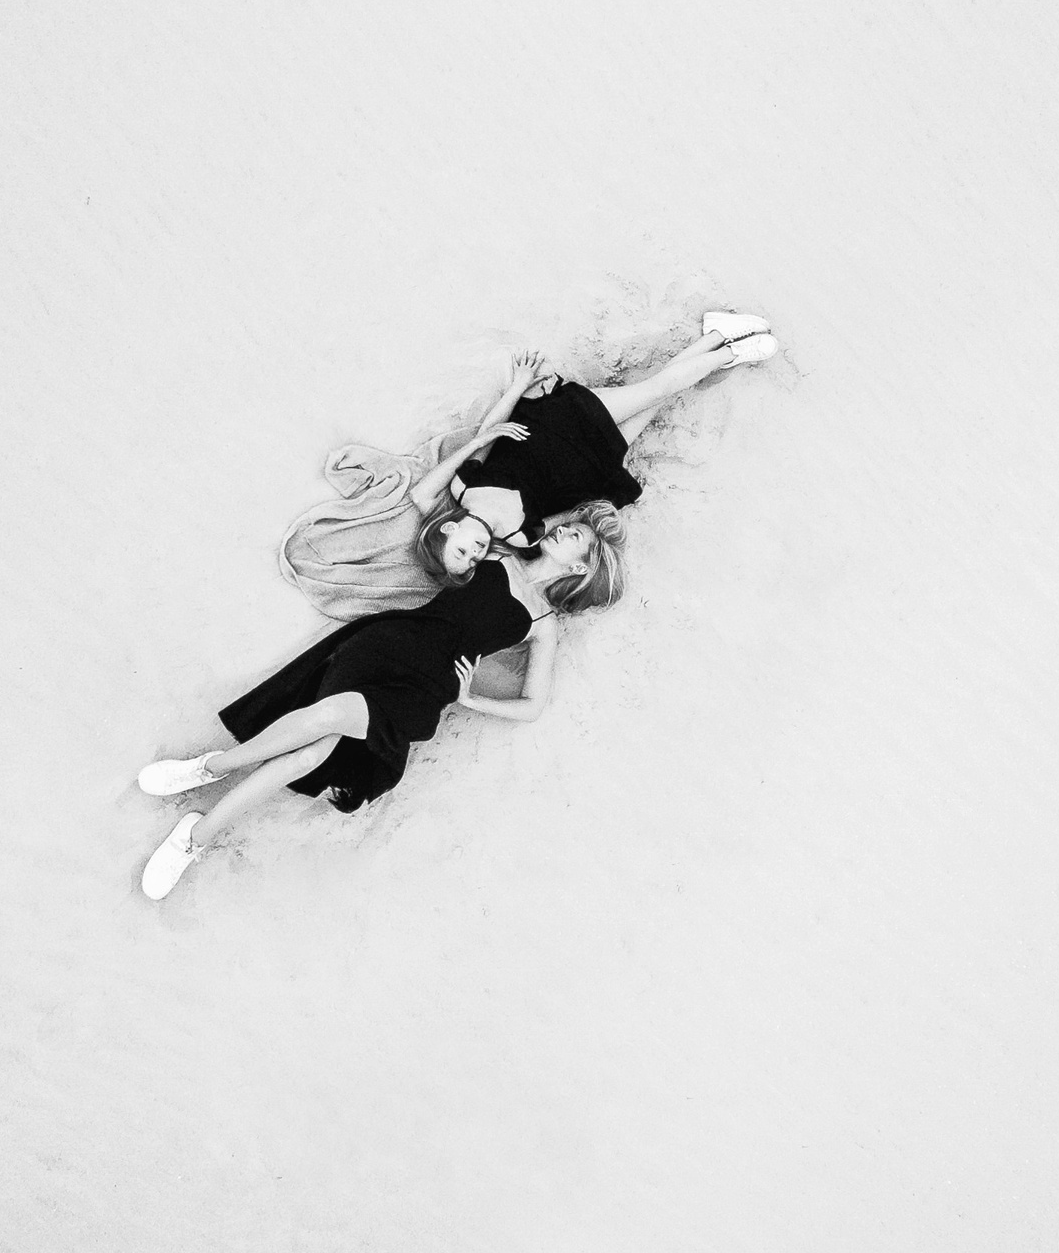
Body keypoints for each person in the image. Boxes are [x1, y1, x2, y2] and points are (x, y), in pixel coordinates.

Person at [134, 507, 627, 899]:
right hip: (390, 645)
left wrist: (471, 698)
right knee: (312, 752)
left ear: (581, 566)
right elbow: (455, 512)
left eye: (574, 537)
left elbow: (532, 705)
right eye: (567, 526)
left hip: (426, 692)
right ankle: (196, 830)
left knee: (318, 741)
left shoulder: (544, 625)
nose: (562, 531)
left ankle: (210, 773)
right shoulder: (499, 553)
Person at [278, 312, 777, 618]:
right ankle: (715, 339)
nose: (472, 553)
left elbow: (462, 452)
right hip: (589, 467)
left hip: (560, 427)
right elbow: (541, 570)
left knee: (656, 390)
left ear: (446, 532)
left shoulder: (459, 488)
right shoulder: (516, 543)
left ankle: (730, 352)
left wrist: (513, 396)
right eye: (471, 562)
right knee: (653, 404)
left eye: (460, 551)